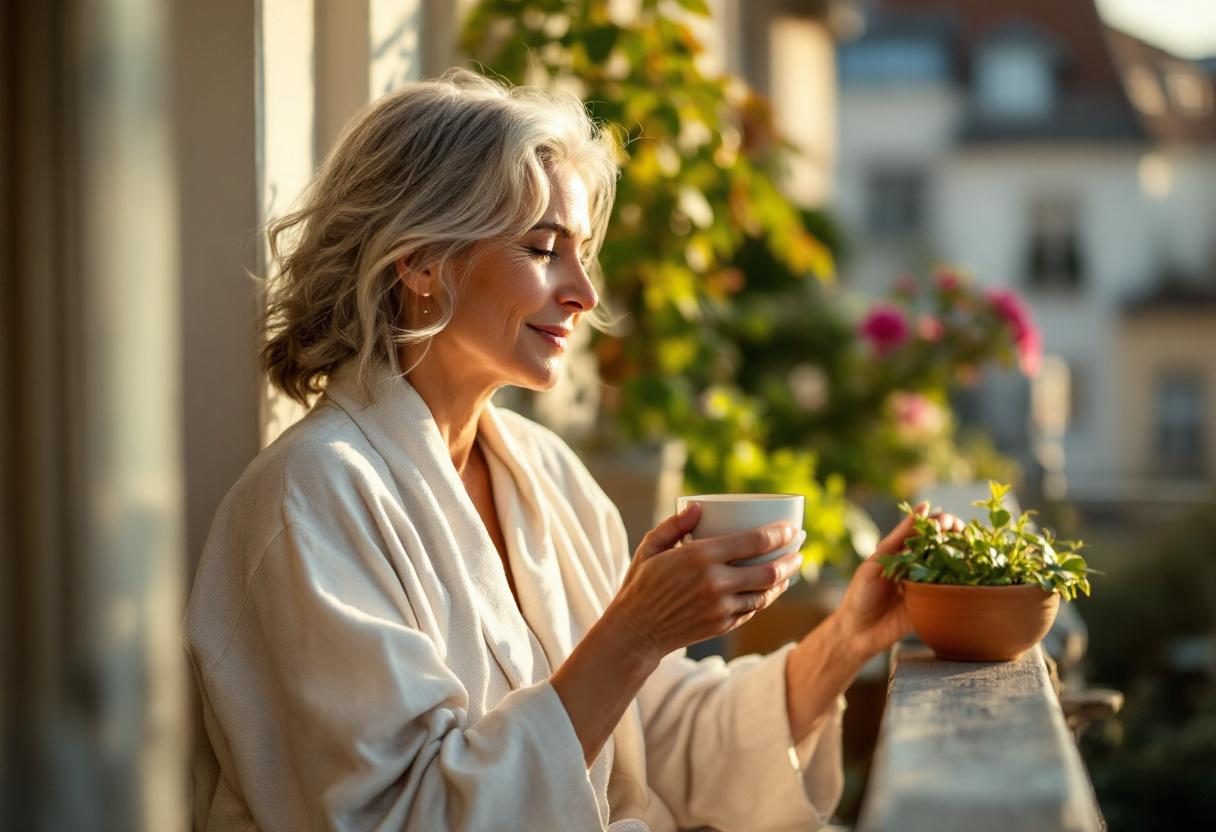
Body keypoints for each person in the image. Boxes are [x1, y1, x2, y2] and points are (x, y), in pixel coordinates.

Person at [183, 68, 961, 832]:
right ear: (420, 261)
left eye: (581, 251)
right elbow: (406, 817)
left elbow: (650, 741)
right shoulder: (310, 500)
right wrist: (632, 634)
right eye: (543, 247)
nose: (585, 294)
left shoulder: (543, 471)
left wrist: (845, 640)